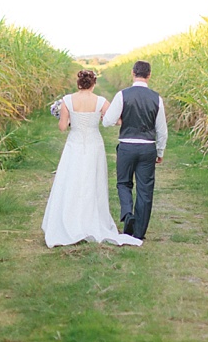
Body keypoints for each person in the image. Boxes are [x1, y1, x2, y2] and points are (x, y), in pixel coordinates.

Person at [41, 69, 143, 248]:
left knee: (71, 180)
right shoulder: (101, 101)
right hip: (94, 145)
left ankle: (68, 220)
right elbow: (117, 120)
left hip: (74, 144)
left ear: (78, 83)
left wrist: (65, 117)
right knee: (92, 181)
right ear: (94, 84)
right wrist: (102, 116)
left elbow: (62, 127)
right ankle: (91, 219)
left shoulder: (67, 100)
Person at [101, 60, 168, 240]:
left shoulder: (122, 95)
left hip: (126, 146)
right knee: (145, 189)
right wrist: (160, 151)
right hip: (147, 147)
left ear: (133, 73)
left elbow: (107, 121)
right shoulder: (157, 98)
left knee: (123, 183)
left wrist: (120, 119)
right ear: (149, 75)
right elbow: (162, 129)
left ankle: (127, 214)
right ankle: (138, 232)